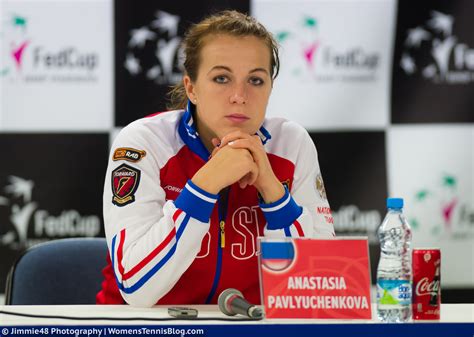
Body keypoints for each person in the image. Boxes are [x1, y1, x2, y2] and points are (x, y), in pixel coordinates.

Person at [96, 10, 335, 307]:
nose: (239, 95)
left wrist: (275, 194)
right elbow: (137, 287)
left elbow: (321, 287)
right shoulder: (143, 143)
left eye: (256, 80)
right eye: (221, 78)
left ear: (270, 88)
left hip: (249, 326)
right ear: (191, 88)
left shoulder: (291, 144)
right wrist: (204, 186)